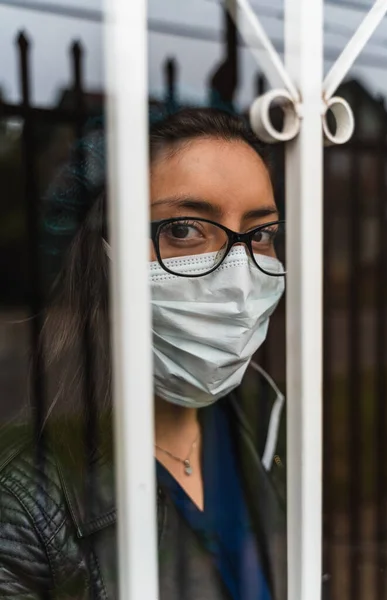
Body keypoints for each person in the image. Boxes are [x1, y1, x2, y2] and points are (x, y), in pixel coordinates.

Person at [0, 108, 287, 600]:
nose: (240, 280)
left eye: (259, 235)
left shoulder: (269, 424)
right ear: (99, 253)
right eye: (183, 230)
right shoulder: (22, 500)